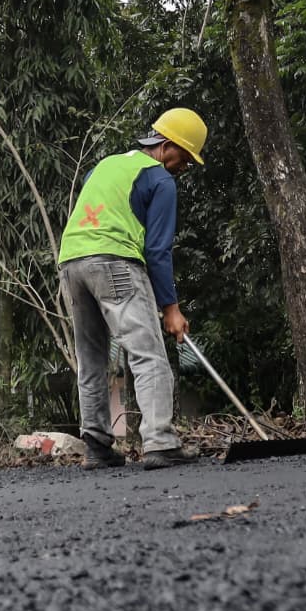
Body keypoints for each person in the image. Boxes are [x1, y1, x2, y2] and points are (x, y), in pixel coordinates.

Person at [57, 108, 208, 471]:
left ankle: (97, 447)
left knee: (91, 358)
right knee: (148, 354)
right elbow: (157, 250)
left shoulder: (104, 166)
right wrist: (171, 308)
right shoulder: (160, 179)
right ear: (166, 146)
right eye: (185, 157)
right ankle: (161, 442)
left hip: (71, 263)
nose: (184, 167)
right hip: (115, 261)